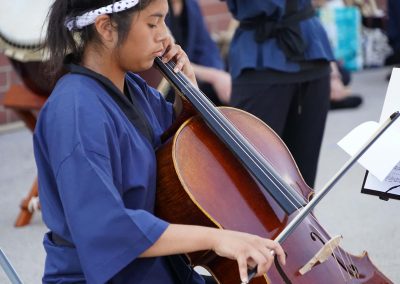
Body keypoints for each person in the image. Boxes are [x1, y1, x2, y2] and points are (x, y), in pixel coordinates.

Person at [33, 0, 285, 283]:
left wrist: (187, 93)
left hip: (157, 270)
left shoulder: (133, 88)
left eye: (164, 22)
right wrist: (216, 238)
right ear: (106, 27)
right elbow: (106, 226)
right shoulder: (75, 111)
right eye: (153, 23)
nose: (165, 36)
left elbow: (179, 148)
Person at [223, 0, 335, 188]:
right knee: (251, 178)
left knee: (303, 183)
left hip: (312, 49)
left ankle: (301, 219)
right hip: (259, 60)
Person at [166, 0, 231, 105]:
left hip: (191, 77)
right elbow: (165, 58)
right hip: (167, 82)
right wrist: (213, 76)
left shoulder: (191, 5)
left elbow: (206, 48)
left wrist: (219, 74)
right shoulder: (156, 8)